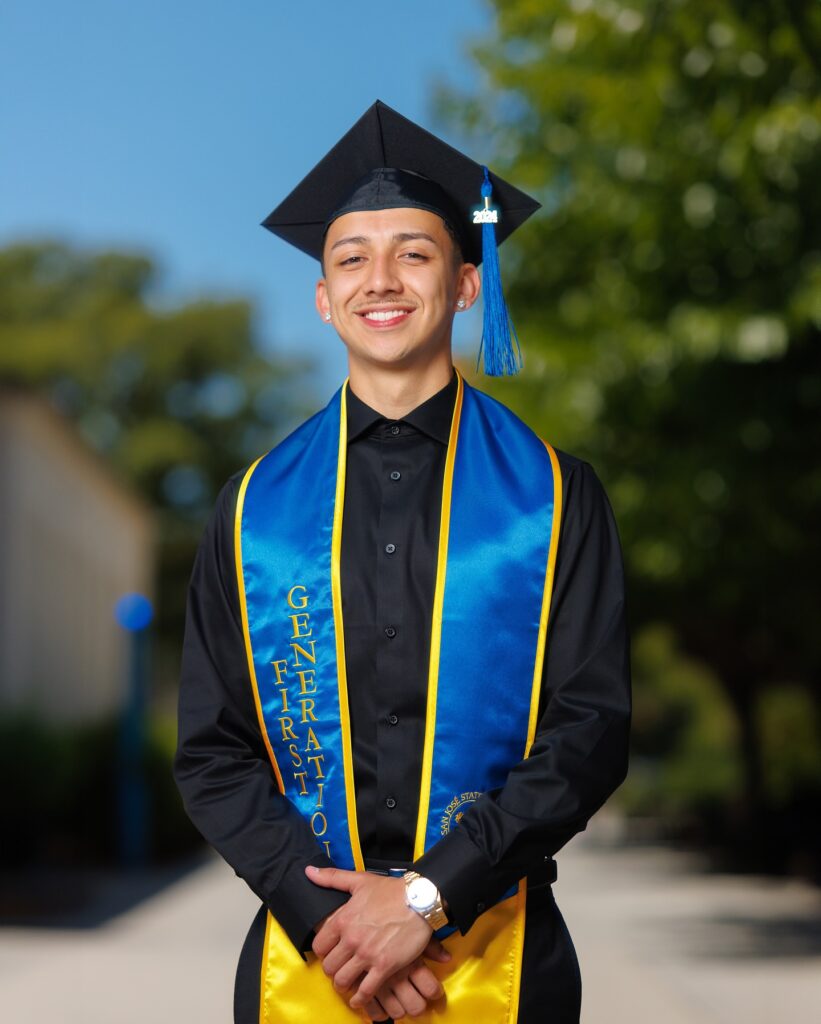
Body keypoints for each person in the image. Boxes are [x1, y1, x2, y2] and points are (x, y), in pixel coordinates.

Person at [174, 100, 631, 1024]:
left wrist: (426, 900)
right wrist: (333, 923)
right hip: (307, 964)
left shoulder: (553, 495)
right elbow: (214, 752)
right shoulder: (252, 510)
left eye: (413, 254)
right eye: (351, 259)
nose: (380, 280)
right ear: (321, 294)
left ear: (467, 284)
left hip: (500, 951)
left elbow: (589, 731)